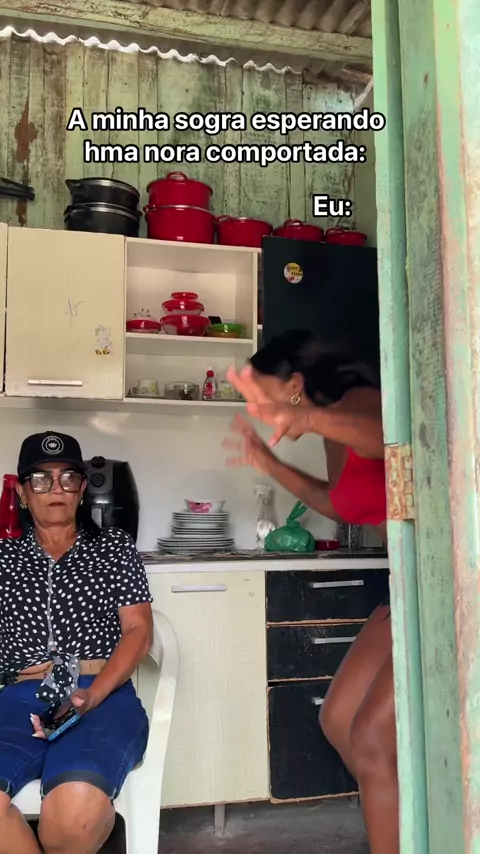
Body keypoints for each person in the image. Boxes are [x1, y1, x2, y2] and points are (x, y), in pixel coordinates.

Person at [224, 331, 396, 854]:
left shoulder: (359, 403)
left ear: (295, 384)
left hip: (443, 590)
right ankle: (414, 827)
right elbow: (342, 505)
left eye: (263, 394)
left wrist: (312, 419)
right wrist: (269, 463)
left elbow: (384, 435)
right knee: (339, 720)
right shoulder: (330, 430)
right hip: (404, 590)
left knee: (371, 741)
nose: (259, 408)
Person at [0, 431, 153, 854]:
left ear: (82, 488)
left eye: (68, 478)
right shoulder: (4, 558)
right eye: (41, 479)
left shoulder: (114, 549)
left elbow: (138, 632)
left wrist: (91, 695)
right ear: (21, 492)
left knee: (74, 817)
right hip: (18, 699)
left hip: (101, 696)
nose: (56, 489)